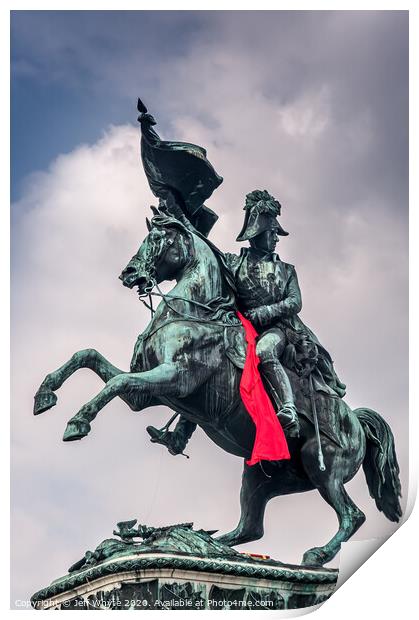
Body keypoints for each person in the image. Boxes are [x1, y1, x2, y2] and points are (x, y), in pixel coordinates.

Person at [147, 189, 346, 455]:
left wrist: (264, 312)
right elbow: (205, 248)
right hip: (241, 328)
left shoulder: (286, 271)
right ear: (257, 234)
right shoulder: (234, 263)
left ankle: (287, 408)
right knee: (203, 362)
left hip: (278, 330)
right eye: (272, 232)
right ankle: (180, 436)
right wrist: (177, 213)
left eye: (276, 233)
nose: (276, 237)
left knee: (265, 352)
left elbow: (294, 302)